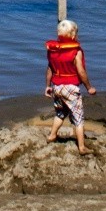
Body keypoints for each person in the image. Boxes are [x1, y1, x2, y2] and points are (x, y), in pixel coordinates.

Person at [44, 20, 96, 154]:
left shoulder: (53, 50)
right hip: (71, 87)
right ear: (73, 35)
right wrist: (89, 87)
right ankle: (82, 147)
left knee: (60, 112)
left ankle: (52, 135)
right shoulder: (76, 51)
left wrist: (48, 86)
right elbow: (81, 71)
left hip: (57, 86)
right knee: (78, 118)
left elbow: (50, 68)